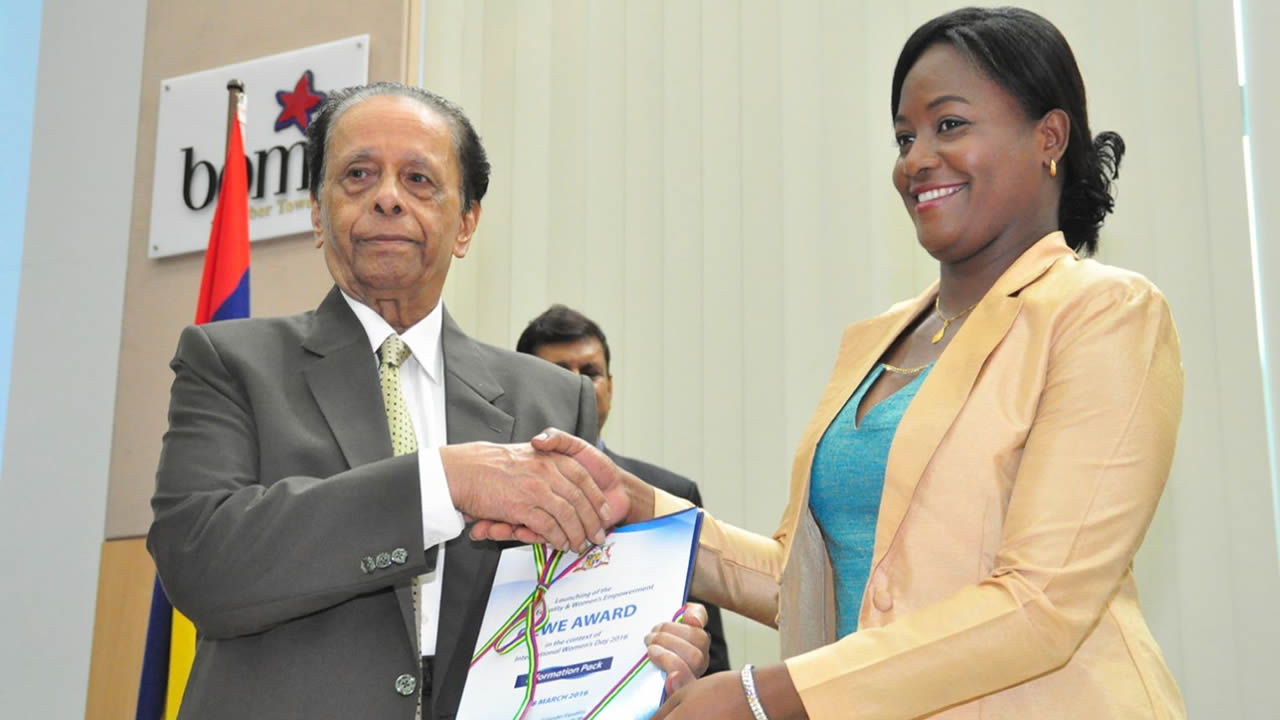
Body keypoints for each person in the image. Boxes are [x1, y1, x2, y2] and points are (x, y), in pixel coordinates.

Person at [511, 7, 1187, 719]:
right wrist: (636, 503)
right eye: (905, 137)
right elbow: (809, 583)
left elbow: (1042, 603)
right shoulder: (881, 339)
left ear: (1049, 136)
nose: (916, 159)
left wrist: (763, 696)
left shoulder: (1104, 313)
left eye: (949, 124)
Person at [147, 82, 708, 720]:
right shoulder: (229, 362)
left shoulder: (553, 399)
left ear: (465, 224)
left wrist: (641, 654)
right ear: (317, 214)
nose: (387, 197)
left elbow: (580, 608)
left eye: (418, 179)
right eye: (358, 175)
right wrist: (441, 484)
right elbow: (200, 562)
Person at [516, 304, 733, 673]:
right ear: (523, 386)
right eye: (560, 372)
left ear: (611, 387)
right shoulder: (487, 500)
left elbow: (710, 660)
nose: (579, 386)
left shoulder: (670, 497)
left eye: (591, 373)